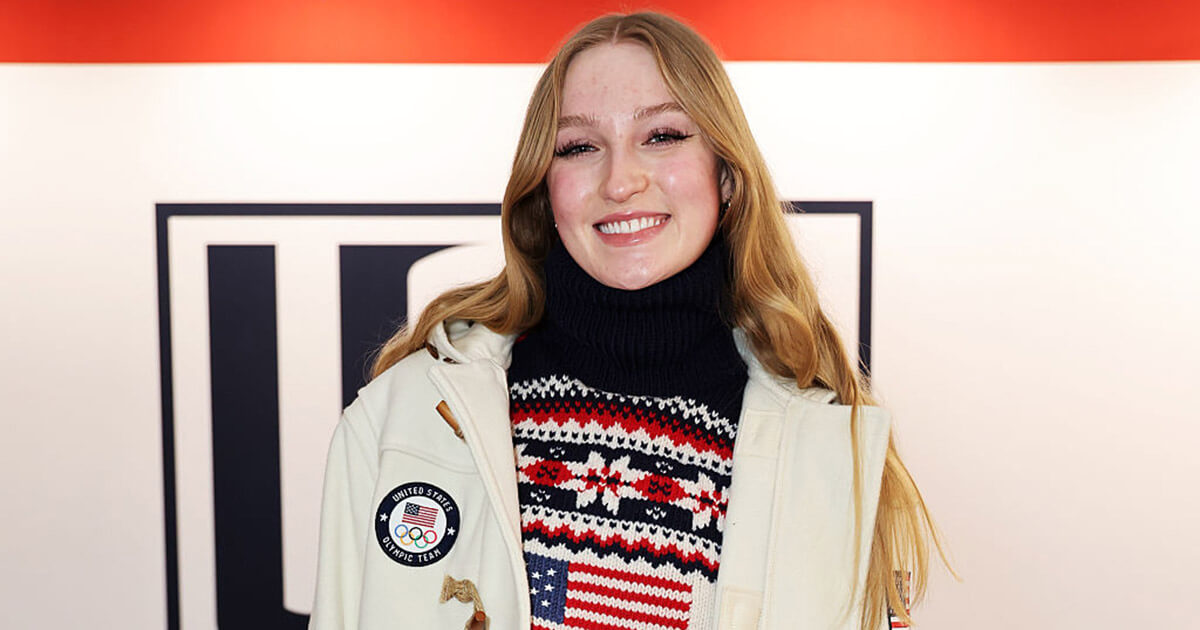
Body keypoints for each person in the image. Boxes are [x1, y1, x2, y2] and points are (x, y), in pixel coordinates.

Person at [310, 12, 942, 630]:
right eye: (581, 146)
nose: (621, 180)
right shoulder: (405, 417)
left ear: (723, 172)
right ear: (543, 186)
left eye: (662, 136)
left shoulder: (834, 454)